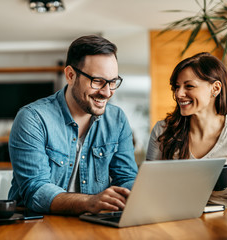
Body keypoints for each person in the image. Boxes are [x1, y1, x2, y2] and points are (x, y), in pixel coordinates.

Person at [8, 35, 138, 215]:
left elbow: (126, 178)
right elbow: (35, 190)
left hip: (94, 223)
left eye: (113, 82)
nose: (107, 92)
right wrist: (90, 202)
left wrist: (136, 195)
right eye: (98, 81)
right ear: (70, 75)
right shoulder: (33, 118)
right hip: (36, 223)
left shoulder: (117, 119)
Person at [146, 52, 227, 214]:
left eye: (189, 86)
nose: (179, 94)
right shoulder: (163, 130)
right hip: (177, 216)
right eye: (176, 87)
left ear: (215, 88)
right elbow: (150, 186)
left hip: (225, 220)